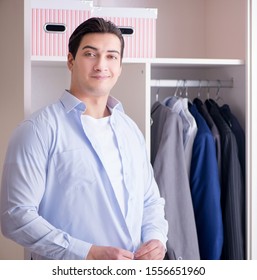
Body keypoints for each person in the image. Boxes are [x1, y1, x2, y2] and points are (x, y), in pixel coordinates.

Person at [0, 17, 168, 260]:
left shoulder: (130, 130)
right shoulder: (37, 130)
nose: (101, 65)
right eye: (91, 54)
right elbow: (15, 216)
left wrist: (156, 239)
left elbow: (150, 200)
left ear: (120, 66)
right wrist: (86, 254)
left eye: (111, 56)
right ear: (71, 60)